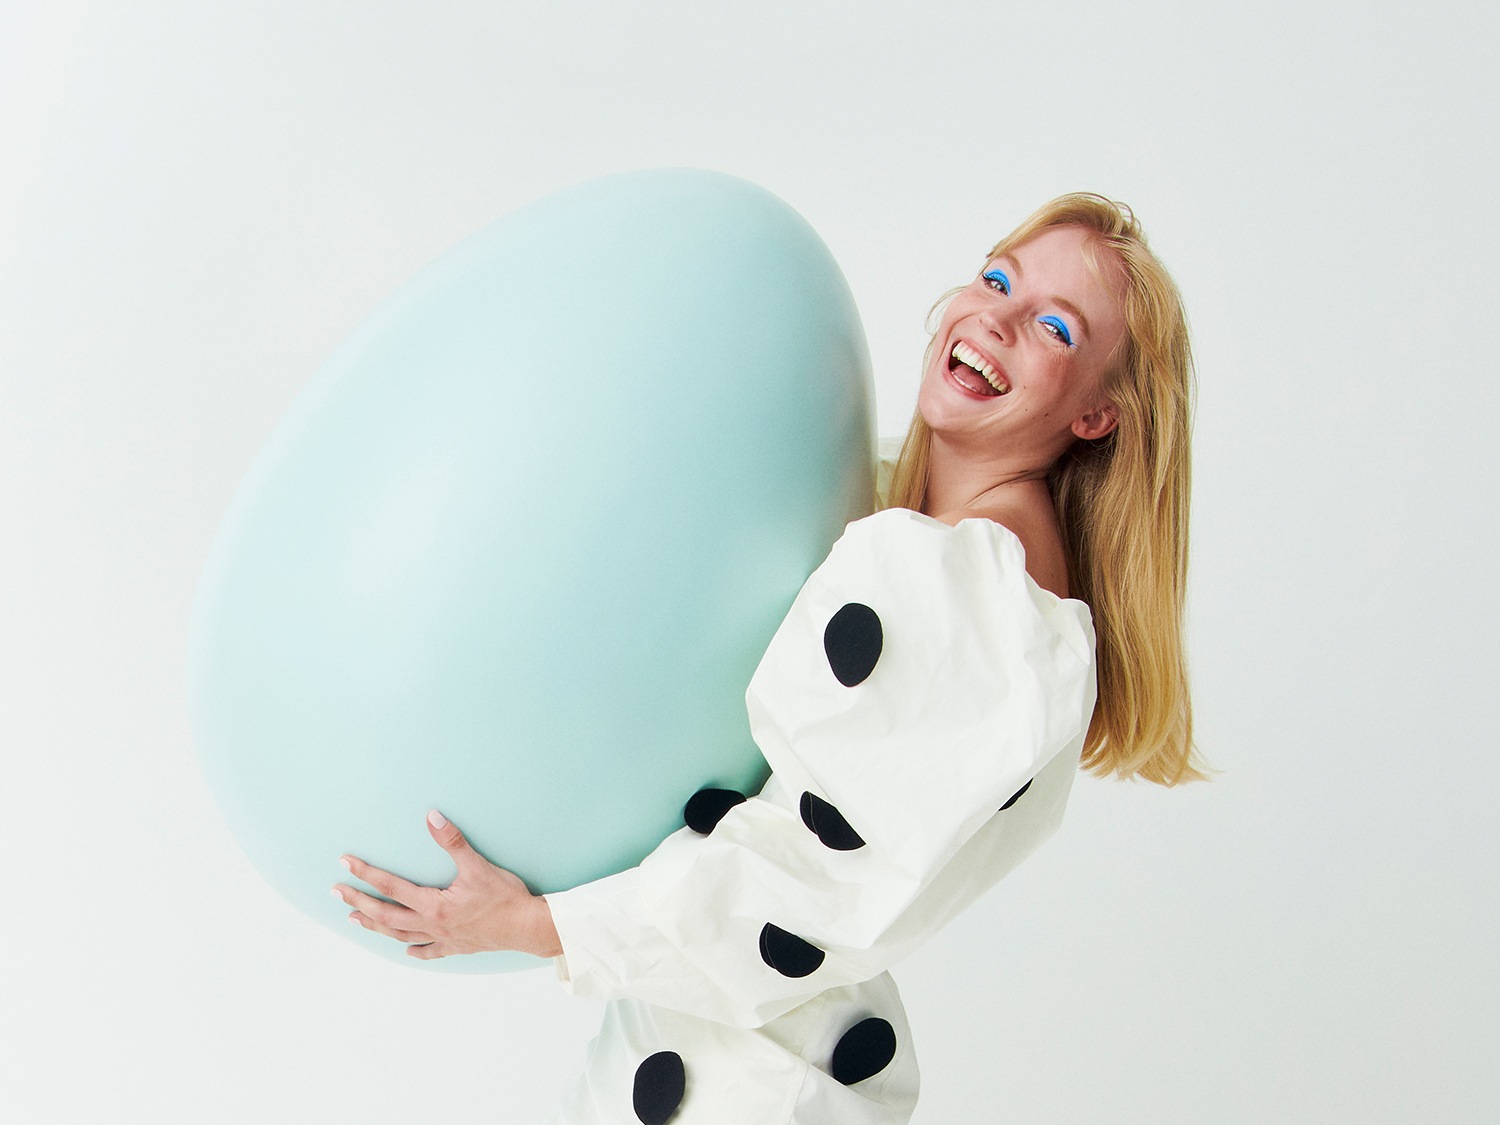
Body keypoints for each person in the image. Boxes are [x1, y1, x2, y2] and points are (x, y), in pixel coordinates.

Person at [333, 192, 1204, 1123]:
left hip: (761, 1083)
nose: (995, 315)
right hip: (702, 1050)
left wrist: (534, 924)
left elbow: (815, 880)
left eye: (1054, 327)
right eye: (997, 278)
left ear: (1097, 417)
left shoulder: (977, 590)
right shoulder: (897, 515)